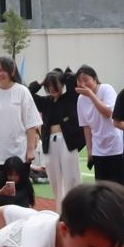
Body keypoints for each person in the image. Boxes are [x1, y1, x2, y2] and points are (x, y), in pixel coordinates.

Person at [0, 57, 41, 194]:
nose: (0, 73)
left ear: (12, 71)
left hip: (18, 154)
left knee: (18, 194)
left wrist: (30, 150)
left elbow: (31, 124)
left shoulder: (22, 91)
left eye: (3, 70)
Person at [38, 68, 83, 206]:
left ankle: (76, 207)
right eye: (49, 86)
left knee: (72, 177)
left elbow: (72, 79)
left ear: (62, 84)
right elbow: (29, 93)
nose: (52, 88)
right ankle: (60, 210)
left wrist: (61, 76)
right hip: (50, 142)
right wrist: (41, 82)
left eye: (55, 85)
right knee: (54, 179)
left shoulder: (70, 97)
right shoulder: (45, 101)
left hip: (67, 141)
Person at [74, 65, 124, 187]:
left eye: (86, 80)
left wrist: (91, 94)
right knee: (101, 186)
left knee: (118, 184)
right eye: (79, 81)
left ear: (95, 78)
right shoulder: (80, 99)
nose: (83, 84)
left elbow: (108, 113)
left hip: (115, 146)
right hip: (98, 148)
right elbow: (86, 126)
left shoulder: (106, 89)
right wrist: (90, 150)